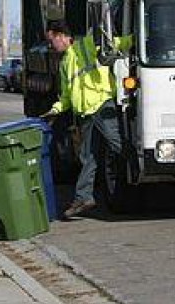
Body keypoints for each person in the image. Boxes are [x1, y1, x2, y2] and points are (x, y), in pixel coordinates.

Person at [40, 21, 132, 219]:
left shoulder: (87, 45)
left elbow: (117, 43)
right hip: (86, 114)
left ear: (61, 36)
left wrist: (137, 40)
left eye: (52, 41)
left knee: (115, 142)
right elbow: (65, 96)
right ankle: (83, 198)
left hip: (101, 105)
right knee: (87, 156)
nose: (51, 46)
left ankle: (142, 171)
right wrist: (54, 110)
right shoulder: (65, 63)